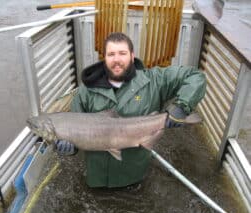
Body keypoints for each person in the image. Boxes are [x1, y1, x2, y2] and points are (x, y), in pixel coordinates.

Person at [55, 32, 206, 188]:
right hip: (95, 179)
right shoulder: (86, 91)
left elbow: (195, 76)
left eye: (122, 53)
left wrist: (182, 107)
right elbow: (74, 129)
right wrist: (70, 147)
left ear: (132, 56)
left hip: (135, 177)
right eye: (111, 54)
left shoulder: (154, 81)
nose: (117, 59)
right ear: (104, 58)